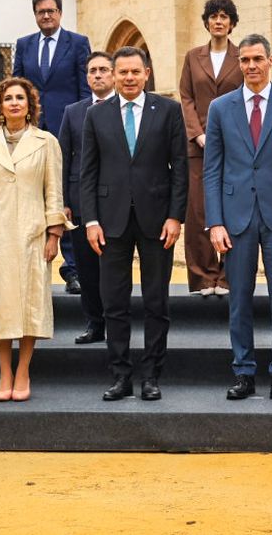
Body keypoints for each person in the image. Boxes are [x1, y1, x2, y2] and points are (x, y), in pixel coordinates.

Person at [204, 34, 272, 402]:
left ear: (271, 60)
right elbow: (212, 170)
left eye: (257, 59)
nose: (250, 65)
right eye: (245, 59)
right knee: (240, 301)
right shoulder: (220, 108)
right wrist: (214, 222)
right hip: (235, 219)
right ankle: (244, 372)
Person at [79, 47, 189, 401]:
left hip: (157, 220)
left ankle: (151, 375)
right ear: (113, 75)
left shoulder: (168, 110)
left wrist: (176, 216)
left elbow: (180, 169)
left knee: (156, 302)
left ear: (147, 73)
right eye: (121, 72)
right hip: (110, 222)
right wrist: (91, 220)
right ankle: (120, 375)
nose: (128, 78)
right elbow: (88, 173)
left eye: (134, 72)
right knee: (114, 303)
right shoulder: (97, 115)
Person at [0, 77, 69, 402]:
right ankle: (5, 371)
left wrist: (54, 233)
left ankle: (24, 370)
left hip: (33, 232)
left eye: (21, 98)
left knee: (30, 303)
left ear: (30, 105)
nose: (15, 103)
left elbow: (54, 192)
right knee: (0, 304)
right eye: (8, 99)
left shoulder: (47, 142)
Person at [12, 0, 90, 296]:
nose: (47, 16)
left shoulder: (78, 43)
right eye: (41, 11)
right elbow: (17, 85)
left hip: (66, 129)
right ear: (35, 14)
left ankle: (72, 269)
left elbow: (84, 89)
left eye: (52, 11)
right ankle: (30, 268)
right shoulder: (24, 45)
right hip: (30, 131)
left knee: (63, 198)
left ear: (60, 14)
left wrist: (82, 126)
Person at [177, 0, 243, 296]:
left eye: (224, 16)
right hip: (198, 147)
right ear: (207, 22)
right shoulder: (193, 57)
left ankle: (228, 276)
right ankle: (204, 277)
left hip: (235, 147)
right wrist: (198, 133)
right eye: (214, 16)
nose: (219, 21)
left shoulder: (243, 57)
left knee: (231, 210)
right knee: (199, 211)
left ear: (231, 23)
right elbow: (186, 97)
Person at [56, 52, 116, 345]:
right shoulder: (73, 111)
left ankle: (118, 322)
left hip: (119, 201)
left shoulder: (125, 108)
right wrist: (63, 200)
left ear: (114, 74)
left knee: (114, 268)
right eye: (92, 71)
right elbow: (63, 157)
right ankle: (94, 324)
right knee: (88, 269)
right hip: (81, 201)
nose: (98, 75)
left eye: (104, 70)